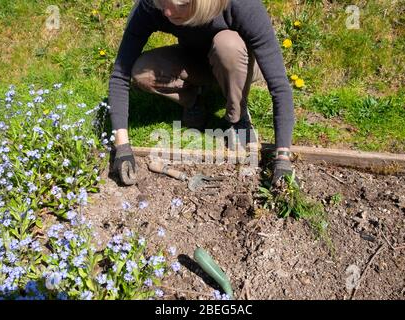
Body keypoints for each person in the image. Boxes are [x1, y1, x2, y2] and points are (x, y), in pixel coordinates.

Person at [109, 0, 297, 187]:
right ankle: (193, 99)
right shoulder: (153, 6)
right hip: (195, 61)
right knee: (142, 71)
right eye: (162, 3)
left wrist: (282, 157)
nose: (166, 12)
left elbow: (279, 85)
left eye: (180, 5)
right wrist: (122, 147)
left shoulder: (241, 5)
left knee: (228, 45)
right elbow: (120, 73)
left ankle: (237, 115)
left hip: (238, 62)